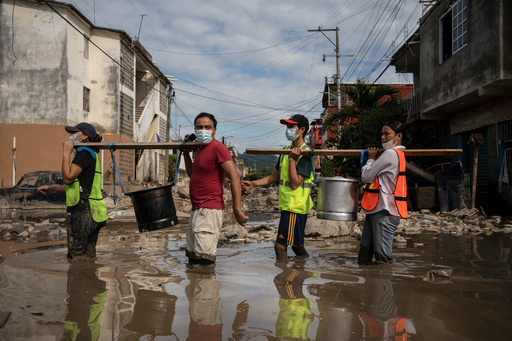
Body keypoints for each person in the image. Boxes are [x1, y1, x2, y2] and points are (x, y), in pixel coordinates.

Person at [242, 114, 314, 261]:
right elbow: (274, 177)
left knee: (280, 245)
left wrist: (293, 160)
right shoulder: (285, 151)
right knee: (296, 245)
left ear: (302, 130)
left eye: (291, 126)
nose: (288, 130)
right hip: (287, 206)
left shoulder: (304, 154)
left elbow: (295, 184)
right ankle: (304, 269)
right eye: (287, 127)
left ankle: (284, 277)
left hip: (296, 206)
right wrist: (253, 184)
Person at [183, 112, 248, 264]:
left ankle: (207, 286)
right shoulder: (200, 149)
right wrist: (186, 153)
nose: (203, 130)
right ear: (194, 129)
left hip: (209, 210)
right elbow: (193, 174)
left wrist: (237, 209)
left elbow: (234, 177)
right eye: (199, 127)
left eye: (207, 127)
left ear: (214, 130)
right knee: (193, 257)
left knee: (205, 260)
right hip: (197, 209)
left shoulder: (218, 148)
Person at [38, 122, 108, 260]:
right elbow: (78, 187)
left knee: (75, 258)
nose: (71, 136)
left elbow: (68, 178)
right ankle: (91, 279)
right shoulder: (92, 155)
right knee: (88, 257)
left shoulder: (83, 154)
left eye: (75, 133)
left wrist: (66, 153)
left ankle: (77, 280)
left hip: (83, 214)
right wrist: (52, 188)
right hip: (95, 214)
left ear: (84, 136)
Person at [358, 121, 407, 265]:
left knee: (382, 260)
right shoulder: (398, 153)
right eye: (382, 134)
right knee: (364, 257)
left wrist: (371, 159)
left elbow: (366, 176)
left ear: (398, 136)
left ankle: (383, 284)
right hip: (377, 209)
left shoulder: (391, 153)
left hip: (385, 211)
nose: (383, 137)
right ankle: (371, 284)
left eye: (387, 134)